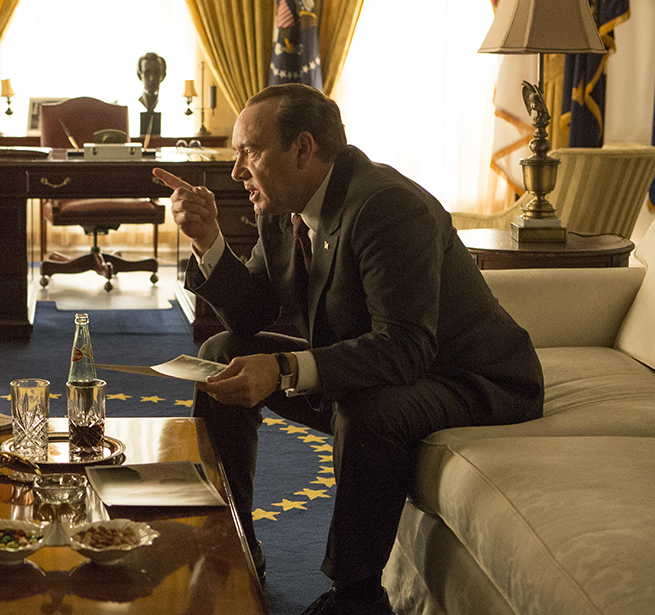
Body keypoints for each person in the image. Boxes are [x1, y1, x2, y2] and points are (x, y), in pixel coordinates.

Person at [152, 83, 543, 615]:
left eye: (250, 151)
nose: (237, 170)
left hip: (471, 378)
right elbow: (251, 315)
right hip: (382, 364)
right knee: (222, 354)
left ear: (303, 149)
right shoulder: (283, 207)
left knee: (369, 408)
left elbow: (405, 348)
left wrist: (284, 368)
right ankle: (233, 540)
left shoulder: (387, 207)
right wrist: (207, 239)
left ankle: (357, 596)